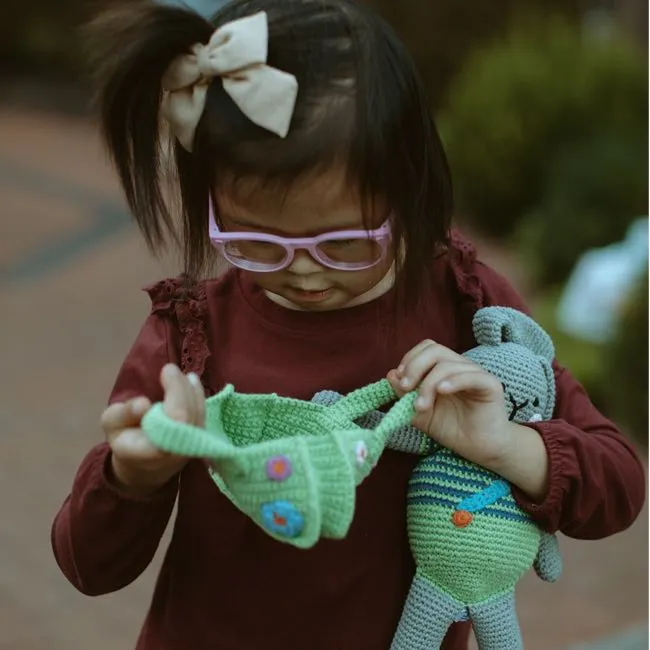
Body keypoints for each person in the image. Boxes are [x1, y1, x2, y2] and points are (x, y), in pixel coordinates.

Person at [51, 1, 646, 648]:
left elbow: (618, 483)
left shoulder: (467, 305)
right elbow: (86, 564)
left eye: (343, 243)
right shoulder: (191, 334)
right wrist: (132, 477)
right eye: (256, 242)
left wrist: (502, 442)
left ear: (409, 189)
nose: (303, 273)